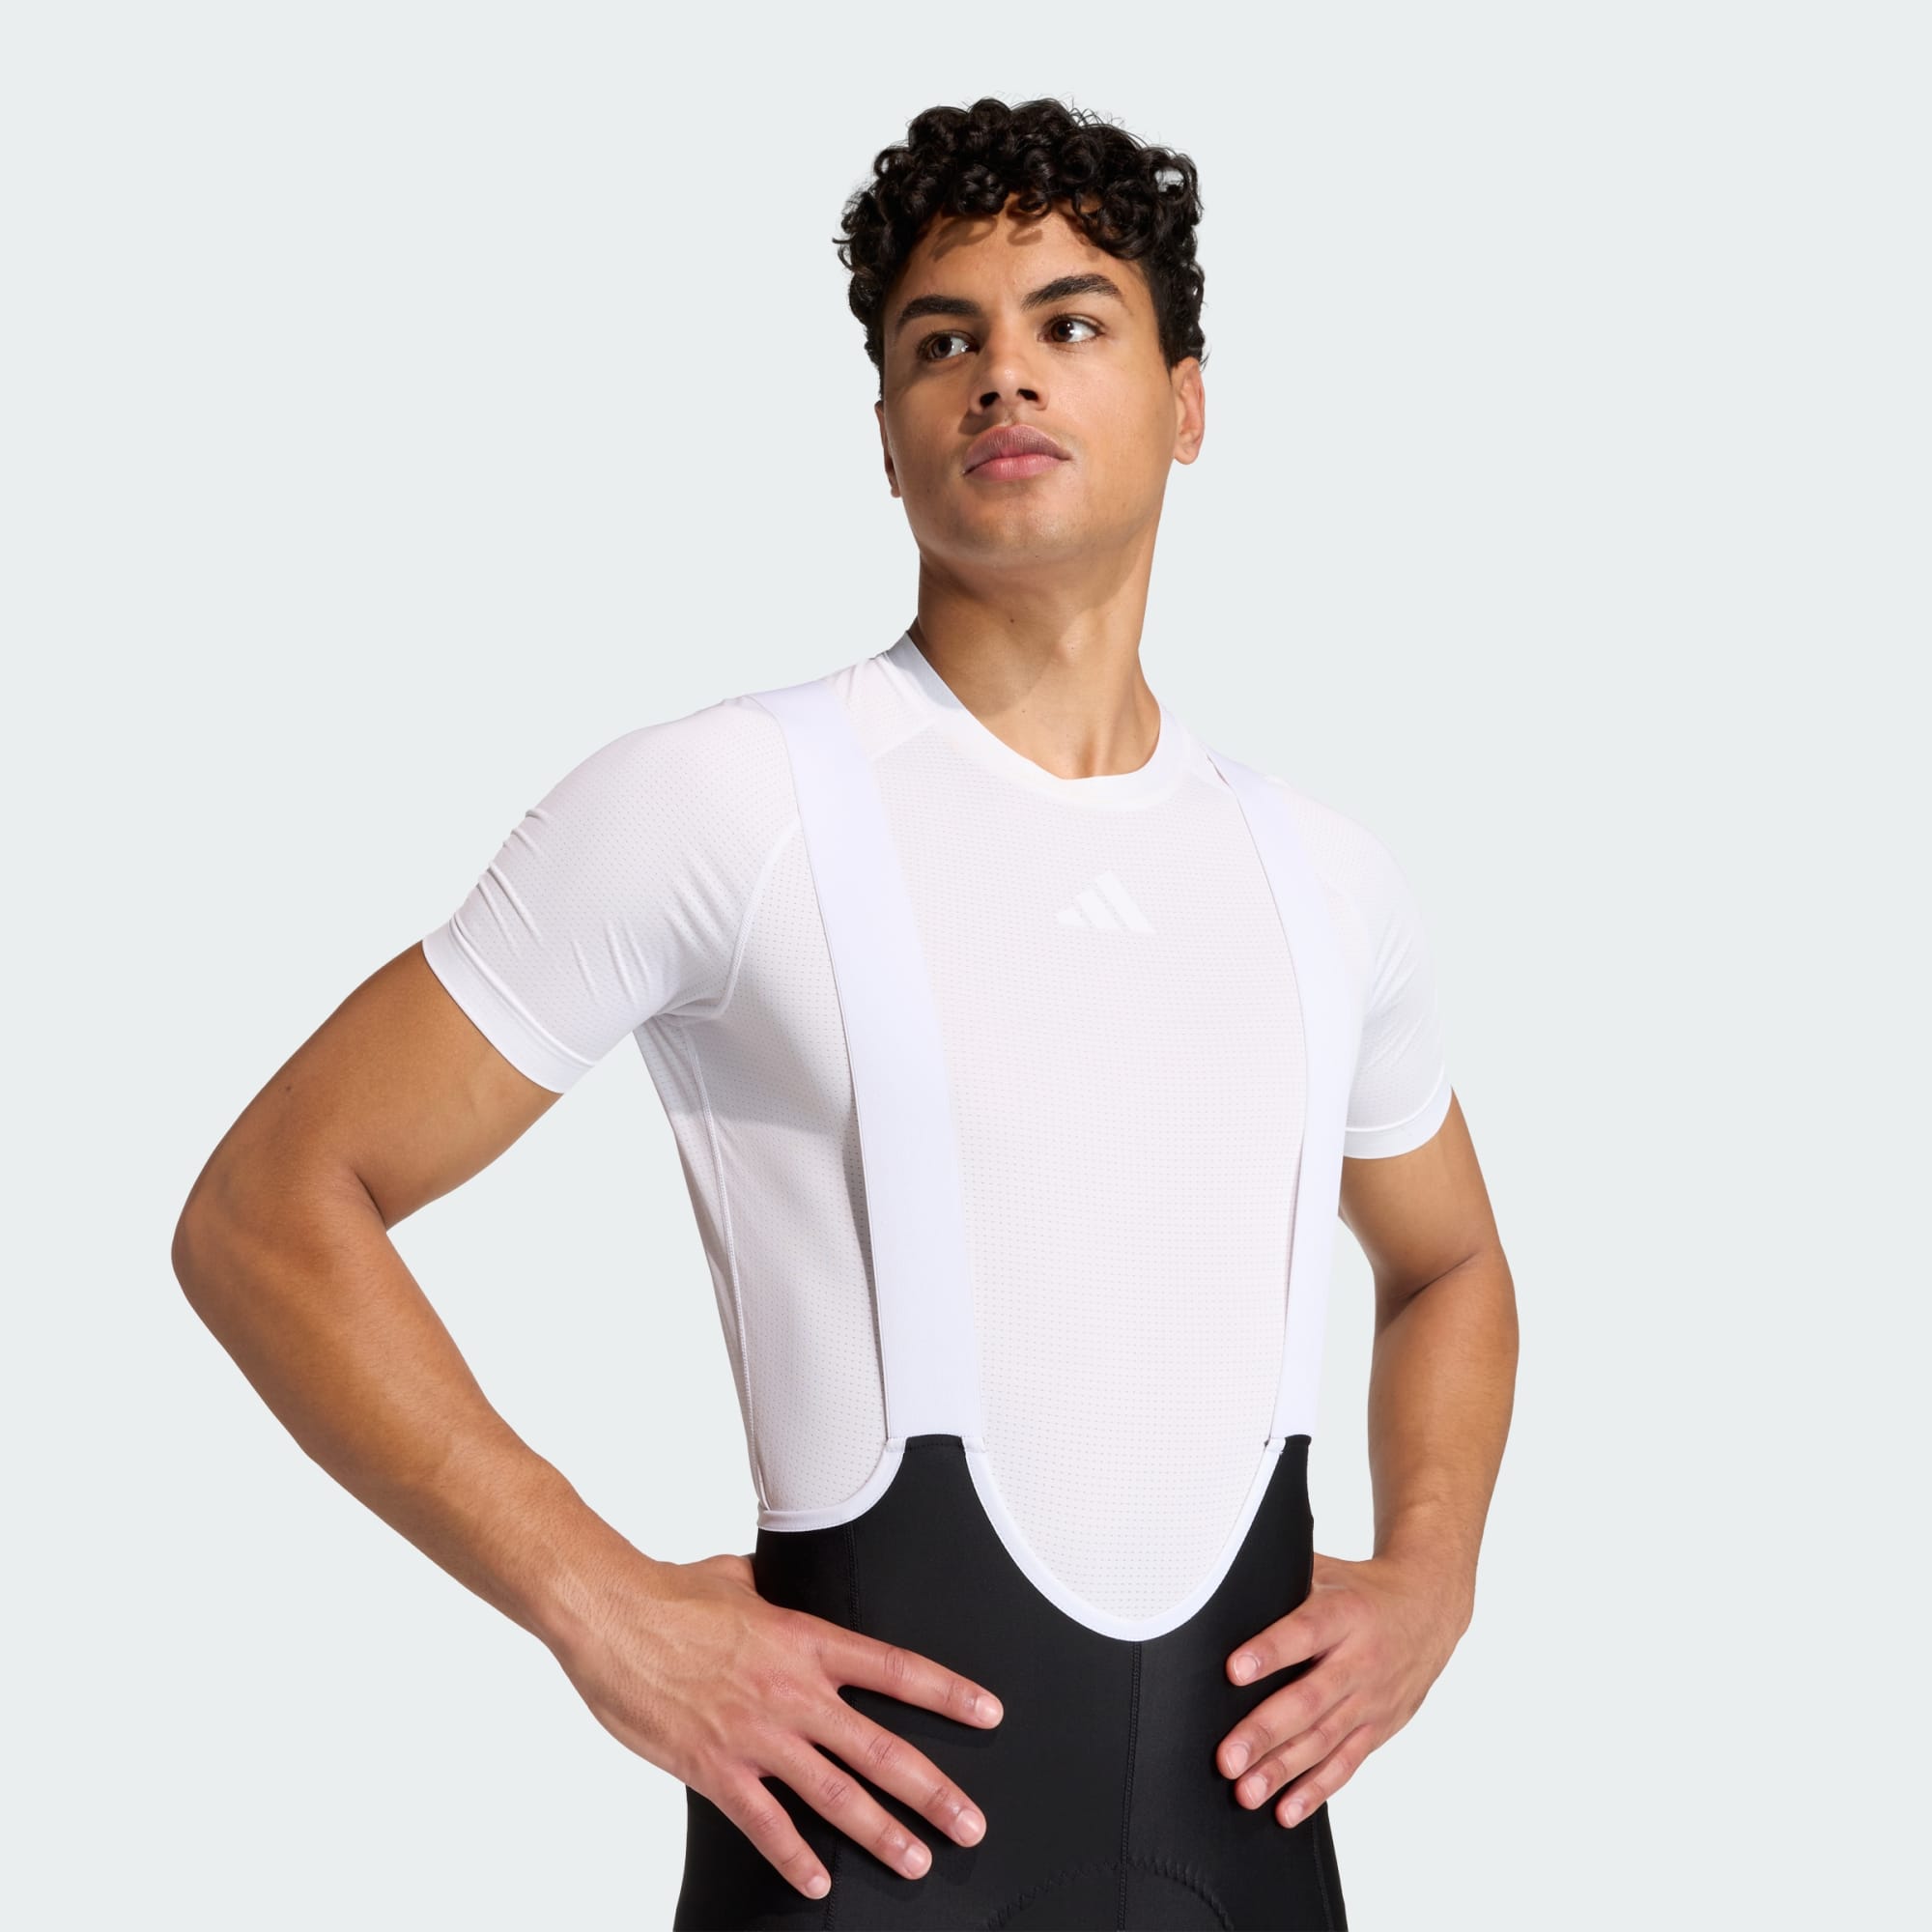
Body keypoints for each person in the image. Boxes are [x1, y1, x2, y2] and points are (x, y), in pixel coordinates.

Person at [173, 95, 1517, 1931]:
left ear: (1188, 402)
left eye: (1070, 323)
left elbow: (1451, 1265)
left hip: (1245, 1869)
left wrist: (1432, 1575)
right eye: (941, 342)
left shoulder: (1322, 877)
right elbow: (267, 1209)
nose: (1001, 375)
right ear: (887, 436)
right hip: (854, 1866)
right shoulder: (728, 805)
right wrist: (598, 1605)